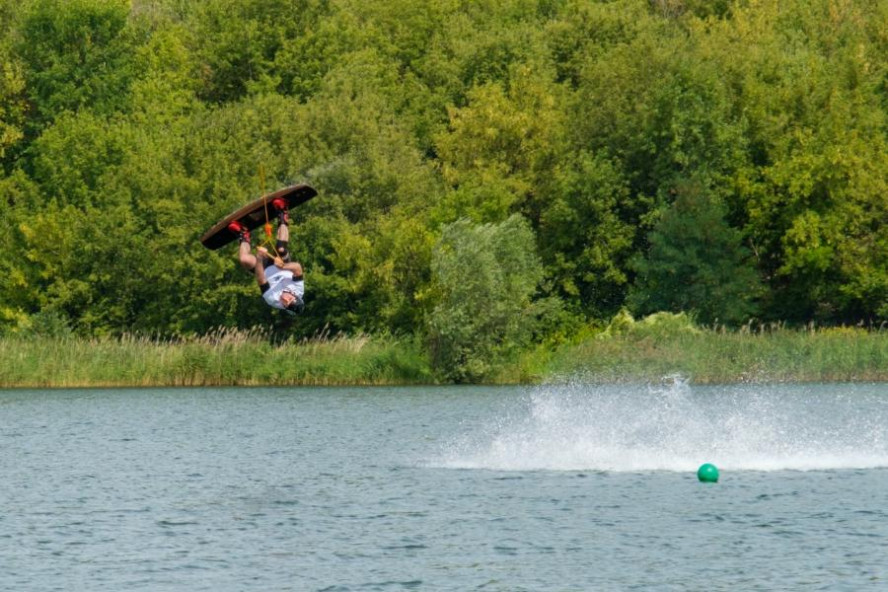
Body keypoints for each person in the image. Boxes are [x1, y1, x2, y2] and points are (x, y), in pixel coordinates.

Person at [228, 199, 305, 315]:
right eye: (289, 299)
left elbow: (261, 280)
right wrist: (283, 266)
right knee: (281, 248)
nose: (285, 299)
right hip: (281, 265)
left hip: (264, 271)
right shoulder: (298, 290)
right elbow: (298, 268)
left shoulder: (272, 300)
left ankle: (243, 234)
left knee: (245, 260)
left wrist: (259, 258)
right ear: (294, 295)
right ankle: (282, 213)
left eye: (285, 304)